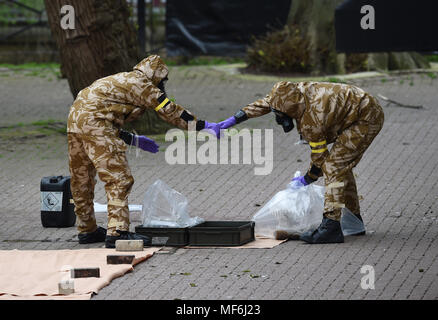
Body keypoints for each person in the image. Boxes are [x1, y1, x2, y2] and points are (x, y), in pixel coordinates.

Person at [67, 55, 221, 248]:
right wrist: (202, 125)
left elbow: (98, 115)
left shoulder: (122, 79)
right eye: (162, 80)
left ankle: (87, 229)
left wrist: (133, 139)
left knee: (82, 179)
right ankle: (118, 232)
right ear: (155, 75)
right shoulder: (142, 83)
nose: (162, 84)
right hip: (95, 124)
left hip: (74, 122)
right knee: (118, 178)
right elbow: (169, 109)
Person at [219, 81, 384, 244]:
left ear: (291, 111)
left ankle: (331, 227)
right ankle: (352, 221)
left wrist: (307, 179)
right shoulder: (289, 93)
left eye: (281, 116)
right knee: (340, 167)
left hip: (366, 118)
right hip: (355, 107)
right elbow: (267, 103)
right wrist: (231, 121)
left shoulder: (312, 120)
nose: (279, 118)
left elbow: (320, 160)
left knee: (334, 167)